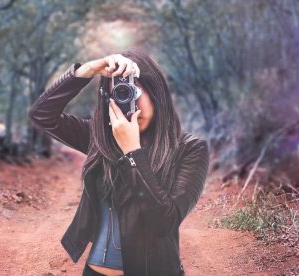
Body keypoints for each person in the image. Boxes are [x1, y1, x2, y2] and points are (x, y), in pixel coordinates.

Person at [28, 48, 210, 276]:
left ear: (156, 93)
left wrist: (133, 152)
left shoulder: (189, 149)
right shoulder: (101, 138)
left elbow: (165, 222)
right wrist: (87, 70)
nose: (129, 103)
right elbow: (41, 115)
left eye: (133, 92)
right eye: (120, 94)